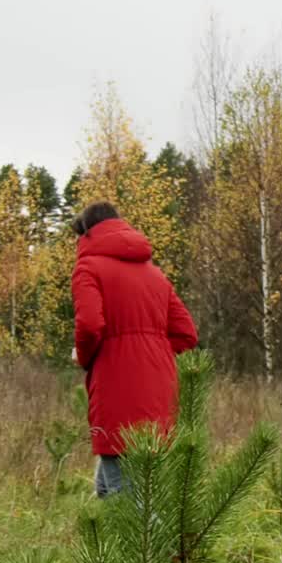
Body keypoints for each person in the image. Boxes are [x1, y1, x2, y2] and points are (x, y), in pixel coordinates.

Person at [71, 201, 198, 498]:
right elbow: (186, 334)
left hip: (117, 389)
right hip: (160, 392)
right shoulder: (154, 274)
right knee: (109, 489)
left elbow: (89, 325)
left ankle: (153, 547)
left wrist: (86, 357)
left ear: (87, 234)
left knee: (123, 499)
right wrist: (152, 353)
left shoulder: (88, 268)